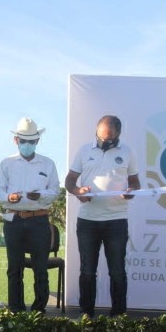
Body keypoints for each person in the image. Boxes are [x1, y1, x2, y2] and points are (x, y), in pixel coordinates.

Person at [65, 115, 140, 318]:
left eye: (109, 139)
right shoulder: (84, 150)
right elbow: (70, 180)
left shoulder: (127, 152)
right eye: (100, 138)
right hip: (88, 220)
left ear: (118, 135)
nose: (103, 142)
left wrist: (130, 191)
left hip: (116, 220)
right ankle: (86, 314)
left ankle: (118, 316)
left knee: (117, 271)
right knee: (87, 271)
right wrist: (78, 191)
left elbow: (135, 182)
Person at [0, 117, 60, 314]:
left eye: (31, 141)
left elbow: (55, 191)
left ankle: (39, 310)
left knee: (41, 268)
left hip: (39, 219)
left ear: (37, 141)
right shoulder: (6, 163)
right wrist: (9, 197)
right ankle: (16, 309)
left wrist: (40, 195)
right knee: (15, 268)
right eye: (23, 141)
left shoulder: (48, 164)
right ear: (16, 140)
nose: (27, 144)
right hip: (13, 219)